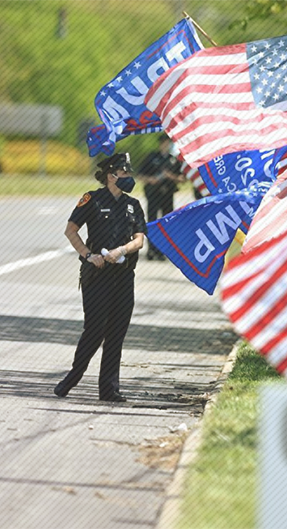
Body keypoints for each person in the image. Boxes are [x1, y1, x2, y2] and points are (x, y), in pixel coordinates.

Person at [55, 152, 146, 402]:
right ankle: (72, 378)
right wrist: (87, 255)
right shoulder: (92, 199)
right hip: (97, 275)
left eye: (129, 172)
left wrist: (122, 250)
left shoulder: (133, 205)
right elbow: (70, 231)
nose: (128, 177)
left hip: (124, 276)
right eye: (124, 172)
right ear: (111, 175)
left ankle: (109, 389)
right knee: (95, 329)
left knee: (117, 331)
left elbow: (139, 239)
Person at [138, 135, 182, 260]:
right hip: (153, 194)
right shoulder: (152, 157)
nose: (165, 145)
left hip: (167, 195)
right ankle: (151, 250)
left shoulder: (172, 160)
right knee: (152, 221)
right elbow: (140, 174)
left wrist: (169, 176)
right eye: (163, 142)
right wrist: (151, 179)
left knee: (166, 222)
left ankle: (163, 251)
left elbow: (181, 178)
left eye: (168, 143)